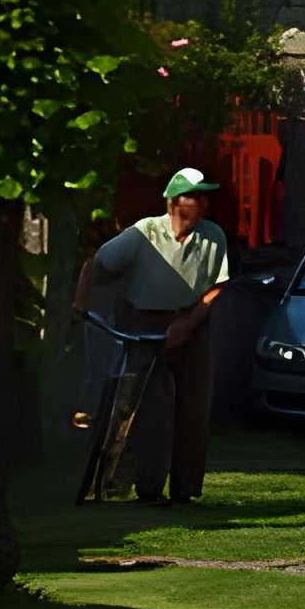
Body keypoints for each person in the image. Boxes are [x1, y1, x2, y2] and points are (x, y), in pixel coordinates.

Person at [71, 168, 234, 505]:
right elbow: (96, 263)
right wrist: (80, 306)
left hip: (193, 321)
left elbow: (217, 286)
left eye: (205, 197)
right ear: (173, 202)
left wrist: (187, 324)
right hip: (144, 323)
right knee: (149, 407)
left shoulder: (213, 235)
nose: (203, 203)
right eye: (194, 196)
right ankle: (146, 488)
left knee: (194, 407)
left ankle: (185, 490)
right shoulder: (143, 233)